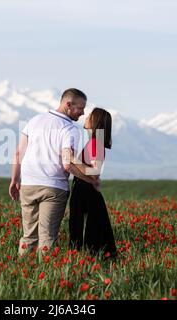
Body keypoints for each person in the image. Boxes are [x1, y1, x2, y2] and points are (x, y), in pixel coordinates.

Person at [9, 88, 99, 256]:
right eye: (80, 108)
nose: (82, 113)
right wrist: (90, 179)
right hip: (53, 188)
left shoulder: (34, 120)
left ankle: (21, 275)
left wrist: (14, 179)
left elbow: (18, 153)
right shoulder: (69, 129)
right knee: (47, 238)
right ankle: (45, 279)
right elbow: (67, 164)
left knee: (28, 236)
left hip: (28, 186)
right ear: (68, 104)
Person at [68, 107, 117, 258]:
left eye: (89, 115)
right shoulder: (94, 142)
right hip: (85, 189)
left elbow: (95, 171)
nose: (86, 117)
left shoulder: (97, 142)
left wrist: (72, 159)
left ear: (96, 121)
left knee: (81, 229)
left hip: (85, 192)